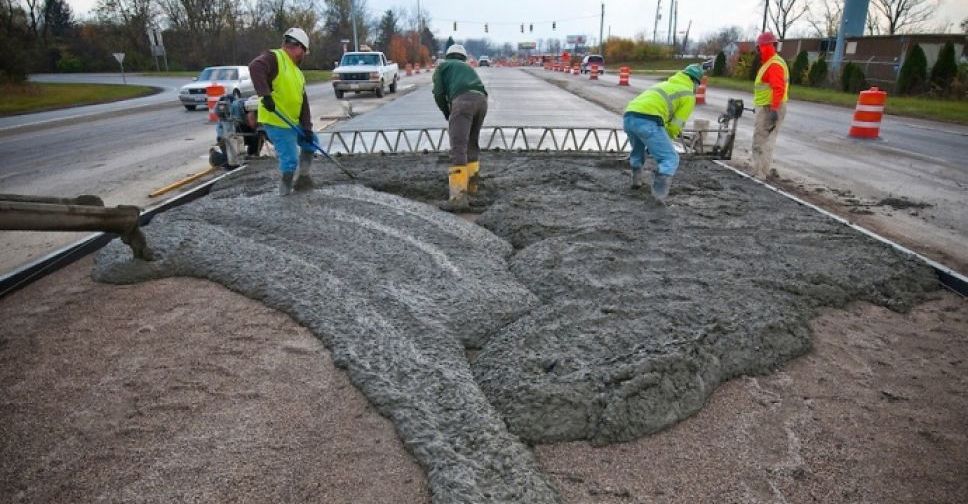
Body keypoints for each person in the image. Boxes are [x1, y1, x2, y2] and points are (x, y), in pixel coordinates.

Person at [249, 27, 317, 196]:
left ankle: (303, 178)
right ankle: (285, 192)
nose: (303, 57)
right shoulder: (274, 58)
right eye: (304, 52)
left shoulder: (298, 73)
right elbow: (255, 67)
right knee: (290, 160)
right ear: (299, 47)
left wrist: (307, 128)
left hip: (293, 122)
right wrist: (265, 95)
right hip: (277, 122)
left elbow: (303, 103)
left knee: (312, 141)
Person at [622, 63, 703, 202]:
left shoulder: (664, 85)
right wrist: (666, 137)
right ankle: (659, 196)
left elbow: (658, 108)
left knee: (638, 150)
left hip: (629, 117)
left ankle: (636, 181)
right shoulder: (688, 95)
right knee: (670, 158)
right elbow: (676, 124)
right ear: (695, 82)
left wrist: (654, 142)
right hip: (648, 121)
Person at [432, 44, 488, 209]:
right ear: (463, 57)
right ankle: (472, 189)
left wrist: (446, 112)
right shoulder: (467, 67)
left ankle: (457, 198)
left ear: (448, 56)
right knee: (472, 143)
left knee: (458, 147)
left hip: (462, 102)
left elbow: (439, 93)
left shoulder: (442, 67)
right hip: (482, 101)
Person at [752, 31, 790, 180]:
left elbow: (778, 87)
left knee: (762, 140)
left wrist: (774, 109)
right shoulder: (771, 63)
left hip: (771, 108)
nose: (758, 51)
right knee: (764, 139)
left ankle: (760, 172)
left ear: (765, 46)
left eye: (759, 47)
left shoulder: (774, 64)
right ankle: (760, 171)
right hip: (768, 106)